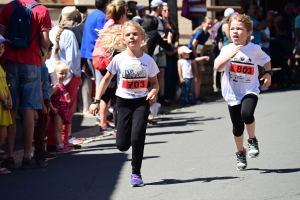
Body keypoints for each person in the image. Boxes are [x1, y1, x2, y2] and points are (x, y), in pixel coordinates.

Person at [89, 21, 159, 187]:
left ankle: (136, 173)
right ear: (123, 39)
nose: (132, 37)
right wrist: (96, 100)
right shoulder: (118, 59)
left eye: (135, 34)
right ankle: (123, 136)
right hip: (123, 103)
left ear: (142, 37)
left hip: (141, 103)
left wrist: (154, 91)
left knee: (137, 137)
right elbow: (106, 80)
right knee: (122, 145)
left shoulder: (148, 61)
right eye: (128, 35)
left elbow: (155, 83)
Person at [214, 13, 272, 171]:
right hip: (232, 94)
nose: (235, 32)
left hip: (249, 90)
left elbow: (266, 60)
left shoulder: (254, 49)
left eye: (239, 29)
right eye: (232, 28)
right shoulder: (227, 49)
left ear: (248, 33)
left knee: (247, 114)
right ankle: (240, 152)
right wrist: (228, 56)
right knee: (237, 127)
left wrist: (268, 73)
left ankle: (252, 140)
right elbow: (217, 67)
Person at [0, 0, 51, 170]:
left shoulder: (7, 8)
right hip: (32, 62)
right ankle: (27, 157)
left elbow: (2, 36)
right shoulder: (42, 10)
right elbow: (45, 43)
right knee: (28, 108)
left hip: (10, 61)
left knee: (11, 108)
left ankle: (9, 156)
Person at [45, 6, 84, 151]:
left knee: (53, 110)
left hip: (52, 74)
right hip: (67, 75)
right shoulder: (69, 34)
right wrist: (78, 75)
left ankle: (53, 142)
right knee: (66, 110)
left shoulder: (52, 31)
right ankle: (63, 141)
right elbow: (73, 60)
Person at [92, 0, 128, 134]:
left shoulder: (109, 23)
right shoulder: (119, 29)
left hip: (102, 61)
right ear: (123, 14)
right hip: (111, 63)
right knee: (113, 95)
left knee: (107, 94)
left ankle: (103, 122)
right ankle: (111, 125)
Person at [80, 0, 109, 119]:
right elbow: (102, 36)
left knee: (89, 83)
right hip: (96, 54)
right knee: (100, 82)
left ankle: (87, 108)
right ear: (107, 3)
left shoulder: (91, 14)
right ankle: (99, 115)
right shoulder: (102, 16)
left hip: (87, 52)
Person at [33, 42, 57, 162]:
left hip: (44, 100)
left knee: (42, 127)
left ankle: (41, 150)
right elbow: (40, 87)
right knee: (41, 128)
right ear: (47, 51)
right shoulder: (42, 66)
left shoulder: (41, 65)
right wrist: (43, 104)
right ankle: (39, 152)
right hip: (43, 101)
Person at [49, 61, 72, 153]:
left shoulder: (62, 85)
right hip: (57, 110)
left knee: (61, 128)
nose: (64, 75)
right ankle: (59, 145)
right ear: (55, 73)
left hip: (62, 109)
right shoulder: (56, 86)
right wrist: (52, 108)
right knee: (57, 128)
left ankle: (61, 144)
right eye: (61, 73)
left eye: (66, 73)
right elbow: (48, 97)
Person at [188, 16, 212, 103]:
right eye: (208, 23)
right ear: (203, 23)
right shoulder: (200, 32)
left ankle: (198, 95)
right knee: (196, 75)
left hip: (198, 54)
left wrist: (201, 57)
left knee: (199, 75)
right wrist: (197, 57)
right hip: (191, 54)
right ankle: (195, 97)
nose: (209, 25)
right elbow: (193, 45)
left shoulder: (207, 34)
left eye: (211, 24)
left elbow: (201, 47)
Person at [150, 0, 169, 106]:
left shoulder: (160, 20)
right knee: (153, 73)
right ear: (158, 7)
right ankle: (154, 97)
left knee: (161, 71)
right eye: (162, 6)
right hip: (154, 47)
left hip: (161, 48)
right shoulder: (150, 18)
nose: (163, 8)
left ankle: (161, 96)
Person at [162, 4, 180, 104]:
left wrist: (175, 47)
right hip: (165, 51)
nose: (167, 12)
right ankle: (167, 96)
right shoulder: (161, 23)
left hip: (173, 51)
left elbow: (176, 38)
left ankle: (173, 96)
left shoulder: (172, 23)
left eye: (168, 10)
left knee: (174, 75)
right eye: (164, 10)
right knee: (167, 76)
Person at [0, 35, 12, 174]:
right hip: (1, 103)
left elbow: (5, 85)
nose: (1, 49)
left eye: (3, 46)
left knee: (3, 135)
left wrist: (10, 99)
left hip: (4, 103)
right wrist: (4, 100)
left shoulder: (1, 64)